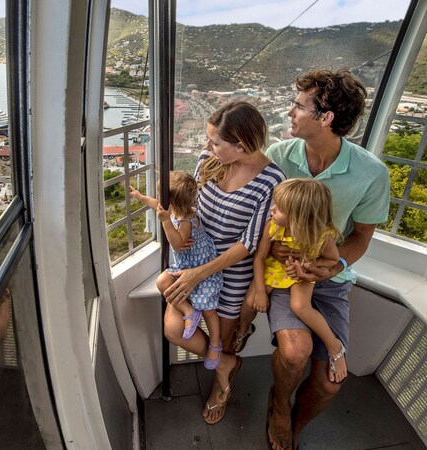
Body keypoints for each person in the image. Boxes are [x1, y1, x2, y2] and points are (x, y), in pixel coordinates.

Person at [261, 69, 390, 450]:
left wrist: (333, 266)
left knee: (330, 382)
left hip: (329, 280)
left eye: (299, 106)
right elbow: (260, 219)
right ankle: (280, 406)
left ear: (326, 117)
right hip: (286, 275)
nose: (290, 112)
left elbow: (360, 237)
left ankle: (297, 425)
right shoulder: (278, 156)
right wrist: (275, 249)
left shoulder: (370, 173)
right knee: (294, 351)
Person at [161, 100, 285, 425]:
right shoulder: (210, 159)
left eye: (215, 141)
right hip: (193, 259)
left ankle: (220, 385)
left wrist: (198, 274)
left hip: (230, 274)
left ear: (241, 146)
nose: (207, 146)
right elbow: (189, 205)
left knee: (225, 339)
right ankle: (226, 363)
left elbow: (249, 243)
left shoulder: (271, 181)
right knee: (175, 329)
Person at [235, 178, 348, 384]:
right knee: (251, 300)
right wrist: (261, 291)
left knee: (300, 307)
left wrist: (309, 266)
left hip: (300, 274)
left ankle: (334, 346)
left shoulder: (321, 236)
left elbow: (332, 259)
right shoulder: (273, 227)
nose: (272, 209)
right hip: (274, 268)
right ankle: (243, 329)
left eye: (279, 208)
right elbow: (260, 257)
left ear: (299, 217)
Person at [129, 172, 224, 369]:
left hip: (200, 269)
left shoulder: (186, 221)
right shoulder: (174, 210)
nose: (161, 203)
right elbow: (157, 204)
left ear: (173, 202)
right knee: (162, 282)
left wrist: (165, 222)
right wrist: (140, 197)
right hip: (184, 267)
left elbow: (178, 244)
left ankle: (215, 343)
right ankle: (188, 311)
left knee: (208, 309)